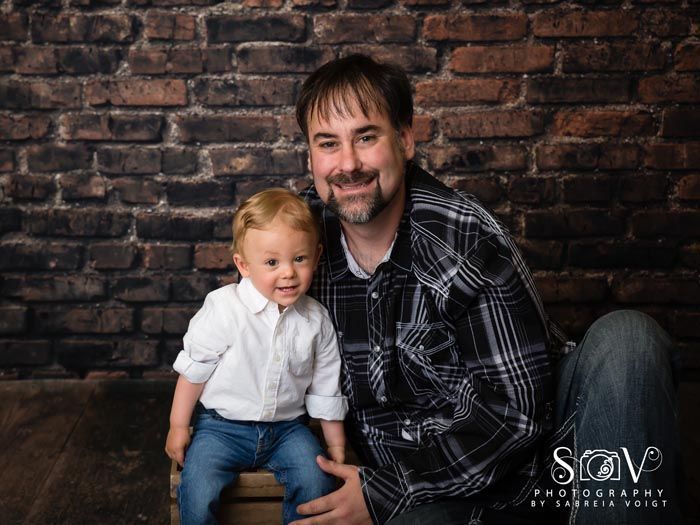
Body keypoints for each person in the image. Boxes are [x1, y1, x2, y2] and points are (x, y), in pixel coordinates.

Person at [289, 55, 684, 525]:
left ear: (405, 139)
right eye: (328, 144)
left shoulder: (464, 238)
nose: (348, 164)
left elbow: (515, 419)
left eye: (366, 137)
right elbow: (249, 343)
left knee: (629, 338)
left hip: (537, 477)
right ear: (311, 158)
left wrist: (386, 491)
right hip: (428, 499)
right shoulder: (295, 241)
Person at [165, 188, 349, 525]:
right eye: (271, 262)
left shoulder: (316, 320)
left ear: (317, 256)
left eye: (299, 259)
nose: (288, 273)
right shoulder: (224, 308)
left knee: (315, 477)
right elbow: (194, 370)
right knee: (197, 486)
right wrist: (179, 425)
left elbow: (326, 388)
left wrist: (335, 447)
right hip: (222, 428)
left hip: (288, 430)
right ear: (243, 264)